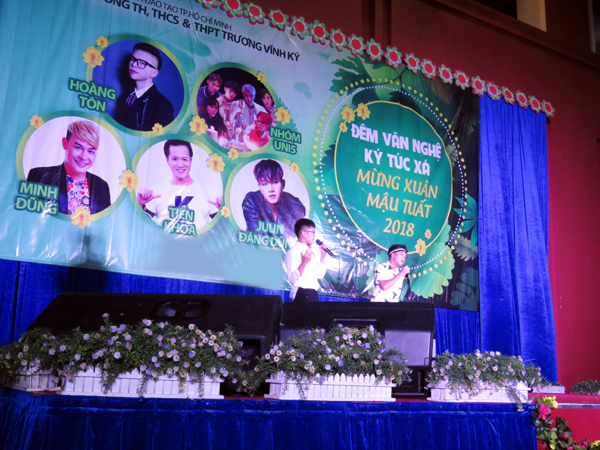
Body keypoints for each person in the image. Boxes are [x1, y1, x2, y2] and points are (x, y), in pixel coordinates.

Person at [27, 120, 111, 215]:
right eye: (78, 148)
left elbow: (104, 221)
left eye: (90, 151)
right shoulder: (40, 176)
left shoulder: (101, 186)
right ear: (65, 143)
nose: (83, 157)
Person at [136, 140, 220, 231]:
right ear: (167, 160)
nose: (180, 165)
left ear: (191, 160)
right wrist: (140, 204)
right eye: (175, 159)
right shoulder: (155, 192)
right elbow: (141, 226)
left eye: (184, 159)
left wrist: (222, 211)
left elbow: (221, 229)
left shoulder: (207, 192)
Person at [113, 42, 174, 132]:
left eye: (142, 63)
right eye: (133, 59)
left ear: (154, 72)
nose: (134, 64)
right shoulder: (125, 97)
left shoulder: (162, 104)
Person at [242, 159, 305, 239]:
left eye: (275, 182)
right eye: (264, 184)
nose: (270, 189)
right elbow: (257, 235)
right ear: (260, 187)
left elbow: (294, 237)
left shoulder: (295, 206)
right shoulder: (251, 201)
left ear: (283, 184)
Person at [284, 218, 329, 302]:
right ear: (303, 233)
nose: (314, 236)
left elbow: (320, 275)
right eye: (313, 232)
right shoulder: (293, 252)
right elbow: (292, 279)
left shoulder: (311, 253)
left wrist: (323, 256)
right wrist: (304, 263)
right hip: (302, 294)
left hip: (313, 294)